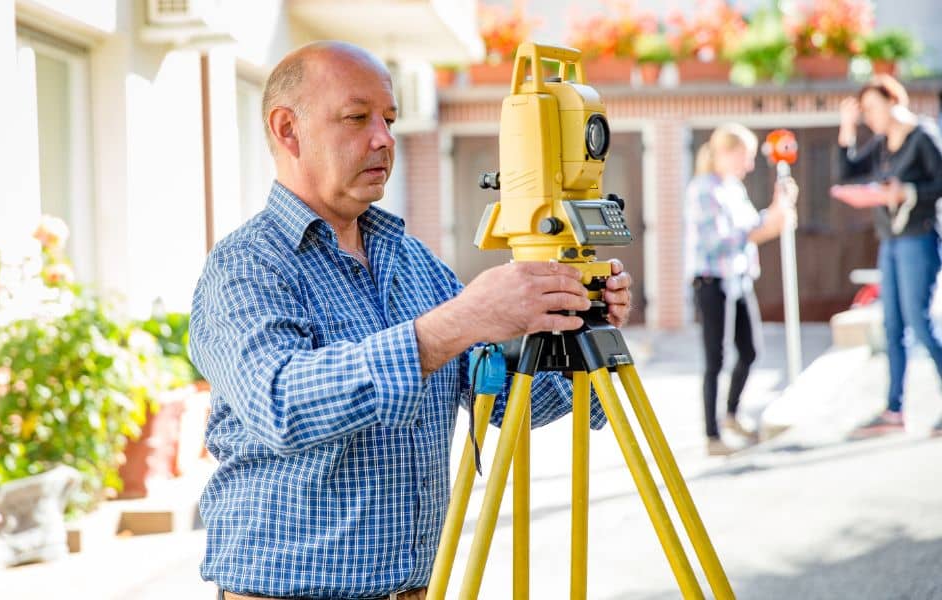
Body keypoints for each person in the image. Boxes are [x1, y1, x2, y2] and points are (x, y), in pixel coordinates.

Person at [188, 41, 633, 600]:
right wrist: (456, 323)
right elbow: (279, 404)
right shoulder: (246, 266)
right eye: (357, 118)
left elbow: (500, 395)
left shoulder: (412, 261)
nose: (384, 139)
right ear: (287, 130)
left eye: (389, 120)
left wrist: (581, 325)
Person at [837, 74, 942, 438]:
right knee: (892, 325)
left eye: (870, 108)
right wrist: (846, 129)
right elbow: (847, 171)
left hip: (918, 238)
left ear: (892, 101)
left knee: (919, 322)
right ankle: (894, 409)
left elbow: (939, 182)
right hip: (891, 241)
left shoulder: (923, 136)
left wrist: (907, 190)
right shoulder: (882, 144)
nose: (868, 116)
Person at [685, 123, 796, 456]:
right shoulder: (704, 189)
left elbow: (751, 227)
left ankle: (732, 415)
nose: (749, 165)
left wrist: (776, 210)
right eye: (744, 157)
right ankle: (712, 436)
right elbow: (723, 240)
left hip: (738, 278)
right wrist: (769, 223)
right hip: (712, 282)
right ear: (725, 152)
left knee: (749, 351)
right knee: (715, 360)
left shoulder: (734, 187)